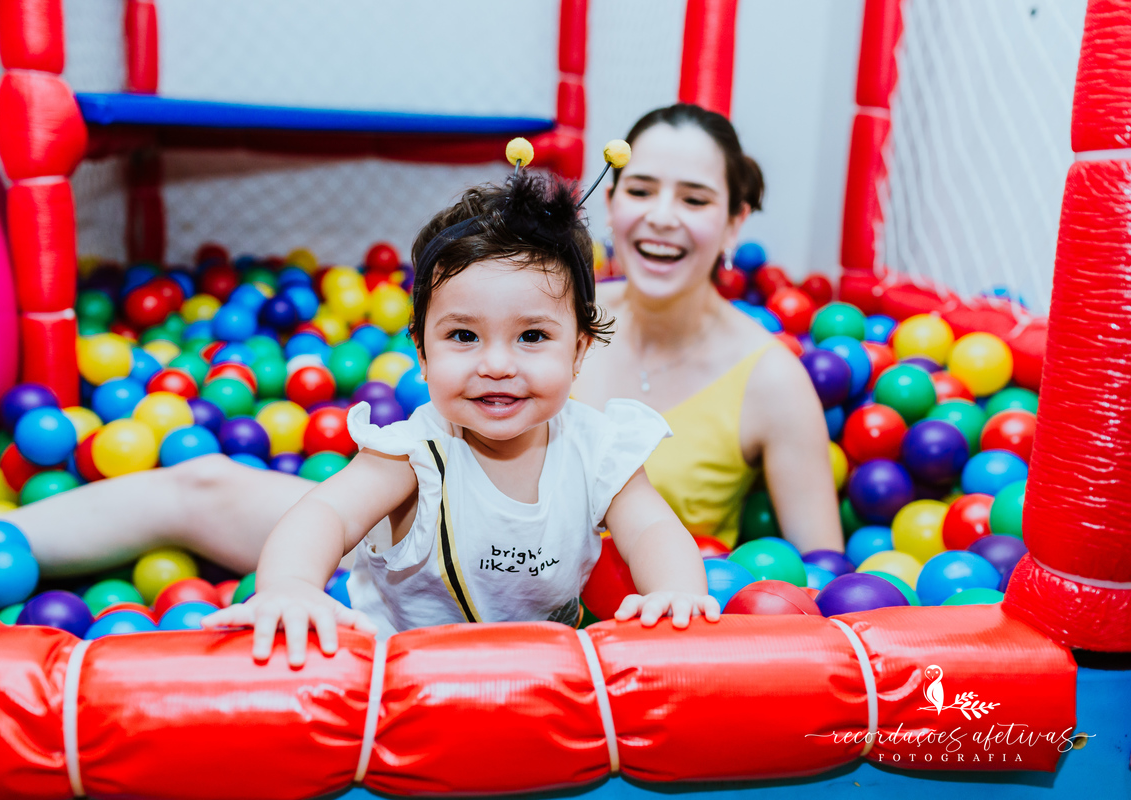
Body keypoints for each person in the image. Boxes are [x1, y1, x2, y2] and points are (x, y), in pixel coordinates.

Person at [198, 169, 719, 666]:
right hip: (400, 684)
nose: (496, 365)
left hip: (548, 683)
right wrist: (290, 587)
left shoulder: (599, 449)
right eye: (463, 336)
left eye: (532, 336)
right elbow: (326, 514)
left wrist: (675, 593)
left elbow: (652, 528)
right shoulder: (412, 455)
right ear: (423, 355)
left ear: (579, 351)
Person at [571, 104, 841, 553]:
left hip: (677, 618)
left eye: (694, 199)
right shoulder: (554, 318)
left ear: (735, 224)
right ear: (611, 203)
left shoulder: (773, 379)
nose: (661, 217)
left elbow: (825, 576)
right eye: (640, 191)